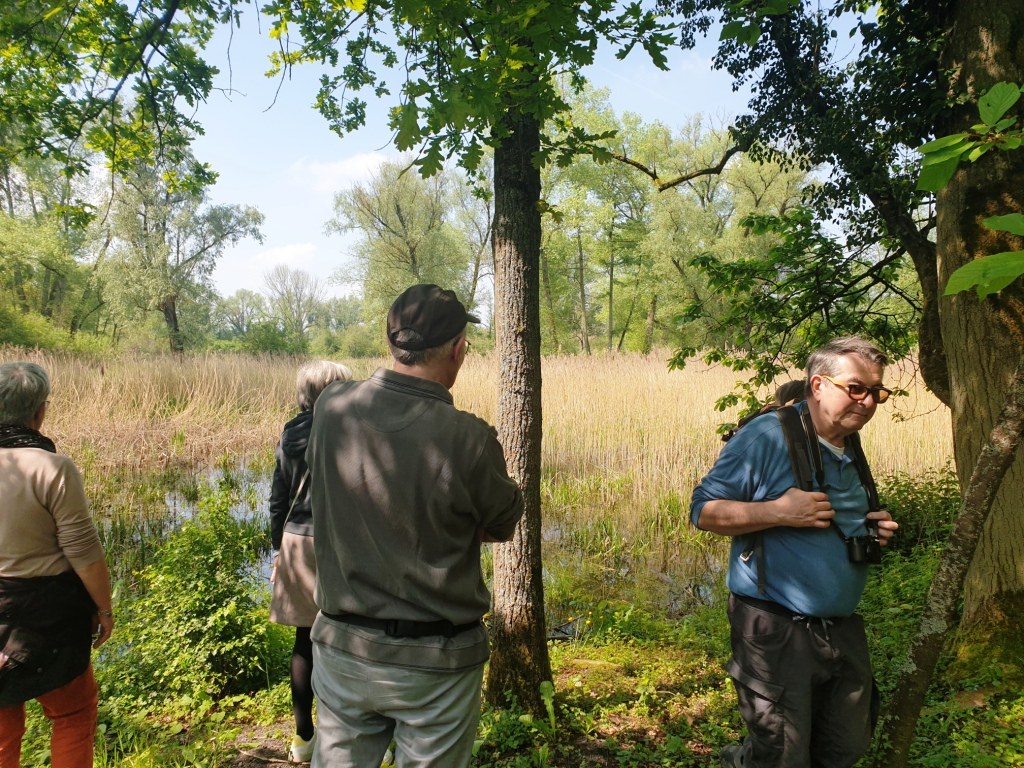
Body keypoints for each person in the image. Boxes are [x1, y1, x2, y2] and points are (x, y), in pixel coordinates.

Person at [305, 284, 524, 768]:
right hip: (436, 665)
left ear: (392, 341)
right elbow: (503, 523)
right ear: (458, 349)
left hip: (344, 648)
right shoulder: (468, 438)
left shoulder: (331, 407)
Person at [691, 338, 899, 768]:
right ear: (818, 385)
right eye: (856, 388)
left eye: (877, 391)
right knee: (782, 752)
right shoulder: (769, 435)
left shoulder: (847, 439)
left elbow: (831, 515)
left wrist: (869, 528)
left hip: (839, 628)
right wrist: (778, 511)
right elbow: (704, 511)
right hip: (775, 627)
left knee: (845, 746)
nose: (869, 401)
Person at [0, 362, 114, 768]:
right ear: (39, 411)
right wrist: (103, 609)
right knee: (72, 713)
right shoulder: (52, 468)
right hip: (51, 614)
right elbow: (83, 552)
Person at [269, 360, 354, 763]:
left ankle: (304, 740)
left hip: (298, 541)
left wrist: (277, 551)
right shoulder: (350, 430)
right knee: (352, 641)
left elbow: (278, 498)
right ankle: (351, 739)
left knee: (304, 642)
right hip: (343, 541)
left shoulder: (290, 431)